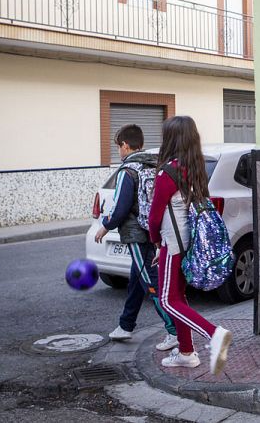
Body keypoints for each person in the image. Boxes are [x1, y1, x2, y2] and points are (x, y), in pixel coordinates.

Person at [147, 116, 232, 373]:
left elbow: (154, 217)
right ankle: (186, 352)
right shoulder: (193, 168)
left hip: (172, 245)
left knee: (167, 300)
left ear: (170, 139)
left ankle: (214, 334)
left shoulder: (167, 173)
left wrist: (156, 244)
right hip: (188, 243)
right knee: (179, 298)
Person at [95, 124, 178, 352]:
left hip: (136, 234)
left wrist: (105, 226)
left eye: (118, 146)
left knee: (151, 283)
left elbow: (120, 208)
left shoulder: (127, 171)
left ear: (124, 145)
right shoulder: (151, 165)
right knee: (136, 280)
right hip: (152, 231)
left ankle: (174, 332)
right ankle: (125, 325)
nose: (118, 151)